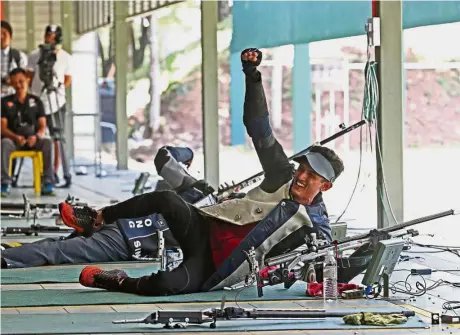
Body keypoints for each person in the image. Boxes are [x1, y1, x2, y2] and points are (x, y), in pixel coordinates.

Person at [64, 48, 348, 296]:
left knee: (166, 284)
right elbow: (259, 126)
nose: (301, 177)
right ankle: (97, 218)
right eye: (303, 169)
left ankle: (115, 281)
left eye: (312, 177)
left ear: (325, 187)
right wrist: (252, 76)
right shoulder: (281, 174)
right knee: (166, 199)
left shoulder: (316, 225)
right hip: (205, 228)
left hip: (218, 267)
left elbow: (327, 266)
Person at [0, 145, 204, 268]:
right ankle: (7, 255)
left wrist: (187, 158)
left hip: (122, 233)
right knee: (55, 249)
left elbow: (165, 157)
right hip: (124, 236)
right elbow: (165, 157)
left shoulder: (201, 195)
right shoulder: (203, 202)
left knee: (56, 246)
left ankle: (7, 253)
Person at [27, 25, 72, 187]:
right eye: (48, 35)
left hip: (56, 102)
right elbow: (29, 76)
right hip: (38, 101)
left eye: (53, 36)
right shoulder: (34, 55)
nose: (50, 39)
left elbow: (67, 79)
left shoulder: (65, 57)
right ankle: (42, 172)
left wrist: (57, 83)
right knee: (39, 137)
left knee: (56, 138)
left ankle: (55, 171)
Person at [1, 68, 55, 197]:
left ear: (27, 80)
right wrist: (15, 137)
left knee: (47, 142)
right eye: (15, 83)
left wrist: (36, 137)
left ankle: (47, 182)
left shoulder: (36, 101)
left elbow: (43, 126)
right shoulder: (4, 102)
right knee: (4, 143)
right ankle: (4, 183)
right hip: (14, 140)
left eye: (21, 81)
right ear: (11, 84)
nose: (18, 85)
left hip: (33, 140)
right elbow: (2, 128)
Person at [1, 20, 28, 97]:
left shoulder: (19, 56)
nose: (1, 37)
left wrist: (12, 81)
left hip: (13, 99)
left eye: (4, 34)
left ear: (11, 36)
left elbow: (24, 79)